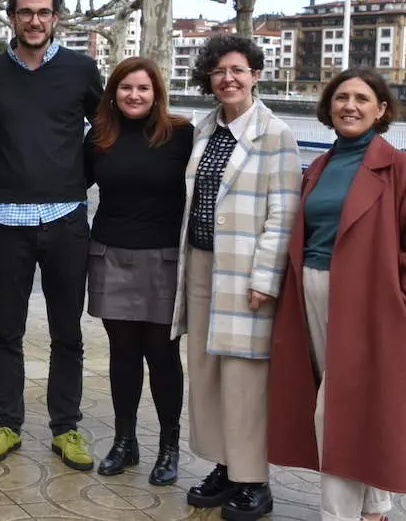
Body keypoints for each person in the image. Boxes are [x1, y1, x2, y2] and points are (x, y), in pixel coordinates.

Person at [268, 68, 406, 521]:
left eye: (362, 99)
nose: (350, 106)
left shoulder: (400, 167)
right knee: (351, 404)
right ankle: (374, 507)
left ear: (381, 110)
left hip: (371, 305)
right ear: (329, 108)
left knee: (338, 410)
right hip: (313, 291)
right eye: (341, 97)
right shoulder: (323, 165)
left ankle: (339, 515)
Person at [0, 0, 104, 470]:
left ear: (56, 18)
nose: (34, 21)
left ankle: (65, 428)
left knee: (66, 331)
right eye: (25, 12)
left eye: (43, 12)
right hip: (7, 221)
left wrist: (76, 176)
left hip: (67, 219)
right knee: (7, 328)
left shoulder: (80, 70)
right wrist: (4, 175)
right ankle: (6, 422)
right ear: (11, 17)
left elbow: (105, 128)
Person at [171, 34, 302, 521]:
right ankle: (224, 465)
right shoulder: (203, 129)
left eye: (238, 70)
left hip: (246, 273)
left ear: (255, 75)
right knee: (206, 373)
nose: (228, 78)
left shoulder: (276, 134)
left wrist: (266, 277)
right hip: (202, 264)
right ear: (209, 78)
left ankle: (254, 480)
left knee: (245, 376)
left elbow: (284, 213)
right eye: (220, 71)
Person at [83, 57, 192, 486]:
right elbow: (72, 181)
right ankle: (125, 442)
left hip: (164, 257)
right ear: (113, 92)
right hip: (110, 252)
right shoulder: (101, 137)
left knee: (162, 354)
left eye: (143, 89)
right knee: (122, 352)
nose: (134, 95)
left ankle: (169, 447)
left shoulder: (181, 135)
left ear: (157, 94)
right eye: (126, 87)